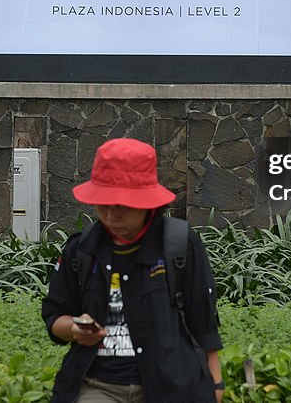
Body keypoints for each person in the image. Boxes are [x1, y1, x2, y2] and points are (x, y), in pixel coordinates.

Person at [42, 138, 224, 403]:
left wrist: (215, 386)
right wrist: (74, 329)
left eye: (123, 206)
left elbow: (203, 322)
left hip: (171, 388)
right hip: (97, 386)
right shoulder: (80, 250)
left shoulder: (179, 245)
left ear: (147, 204)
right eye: (103, 203)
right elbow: (54, 315)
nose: (111, 216)